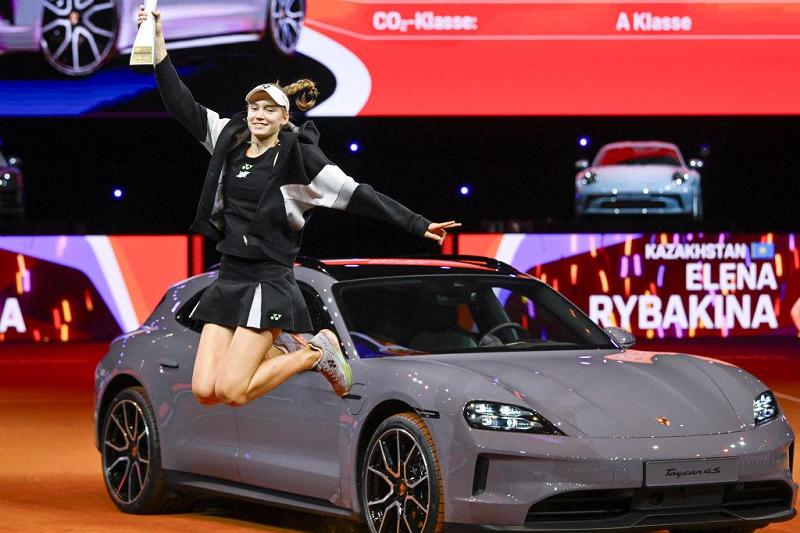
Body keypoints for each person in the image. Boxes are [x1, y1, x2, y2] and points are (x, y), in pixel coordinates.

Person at [137, 6, 459, 407]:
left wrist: (416, 222)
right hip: (230, 275)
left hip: (268, 280)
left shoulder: (300, 160)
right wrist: (159, 43)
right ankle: (290, 348)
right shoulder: (229, 139)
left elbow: (358, 193)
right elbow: (181, 103)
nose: (259, 114)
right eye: (254, 107)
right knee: (205, 391)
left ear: (284, 117)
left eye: (269, 109)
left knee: (233, 391)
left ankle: (314, 353)